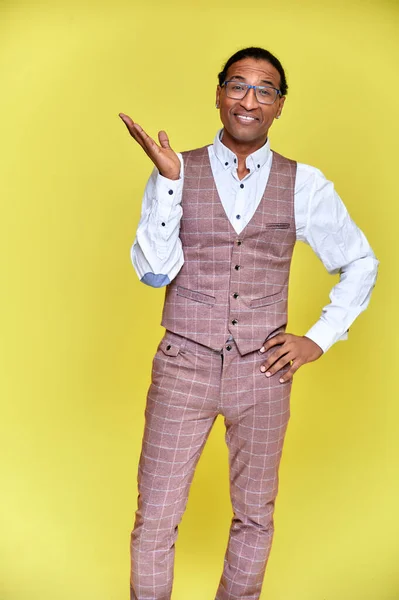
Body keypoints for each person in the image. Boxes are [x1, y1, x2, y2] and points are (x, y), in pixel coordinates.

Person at [119, 46, 379, 600]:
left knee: (255, 517)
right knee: (156, 519)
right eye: (238, 85)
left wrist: (319, 338)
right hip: (182, 364)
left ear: (280, 105)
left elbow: (361, 261)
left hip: (262, 373)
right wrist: (169, 183)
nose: (249, 99)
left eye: (265, 90)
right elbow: (152, 272)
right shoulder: (175, 170)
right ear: (218, 94)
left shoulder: (304, 183)